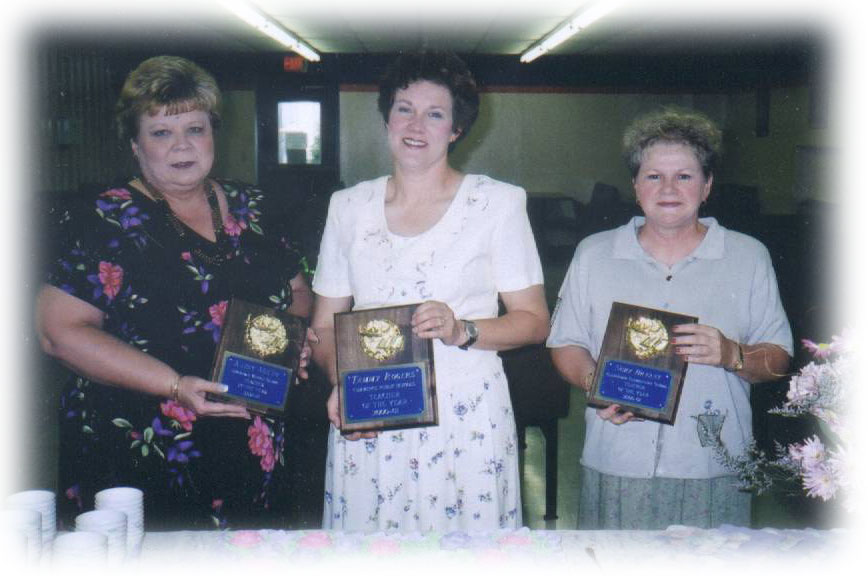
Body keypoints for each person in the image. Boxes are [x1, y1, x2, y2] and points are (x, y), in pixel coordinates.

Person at [36, 55, 313, 530]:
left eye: (195, 129)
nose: (181, 145)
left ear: (214, 135)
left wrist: (297, 341)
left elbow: (297, 288)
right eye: (161, 132)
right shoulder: (99, 221)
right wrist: (173, 385)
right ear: (135, 145)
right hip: (140, 448)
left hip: (252, 444)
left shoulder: (257, 207)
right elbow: (58, 333)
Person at [310, 51, 550, 532]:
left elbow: (534, 320)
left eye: (435, 113)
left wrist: (463, 329)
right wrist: (344, 384)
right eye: (404, 108)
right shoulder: (348, 207)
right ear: (386, 117)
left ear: (456, 128)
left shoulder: (498, 204)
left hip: (466, 420)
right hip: (373, 415)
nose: (416, 124)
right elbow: (322, 326)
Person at [548, 108, 793, 530]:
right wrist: (594, 383)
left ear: (707, 185)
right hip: (617, 457)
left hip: (712, 464)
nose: (668, 189)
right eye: (653, 176)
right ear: (635, 186)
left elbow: (779, 358)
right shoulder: (594, 253)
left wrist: (731, 353)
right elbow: (565, 343)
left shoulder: (748, 256)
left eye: (684, 176)